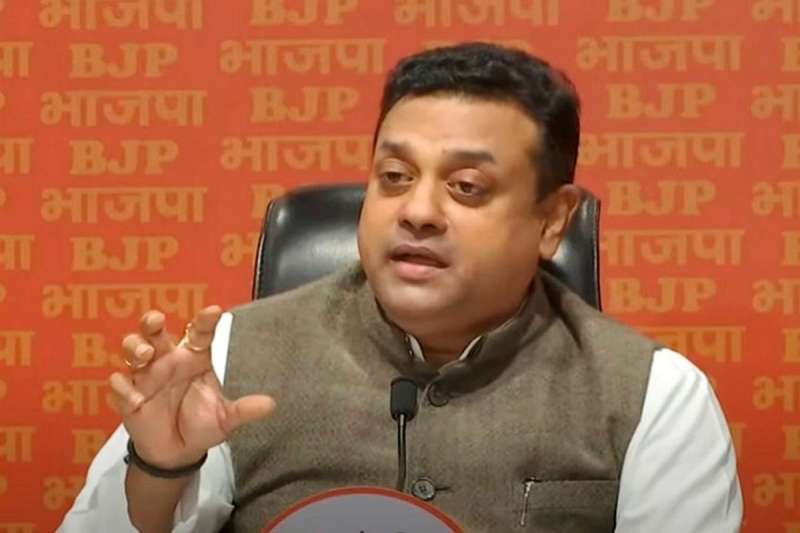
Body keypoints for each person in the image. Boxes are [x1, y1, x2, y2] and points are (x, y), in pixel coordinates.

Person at [59, 42, 742, 532]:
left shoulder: (655, 397)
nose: (417, 210)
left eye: (466, 187)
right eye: (393, 177)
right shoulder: (232, 357)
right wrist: (160, 470)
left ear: (553, 220)